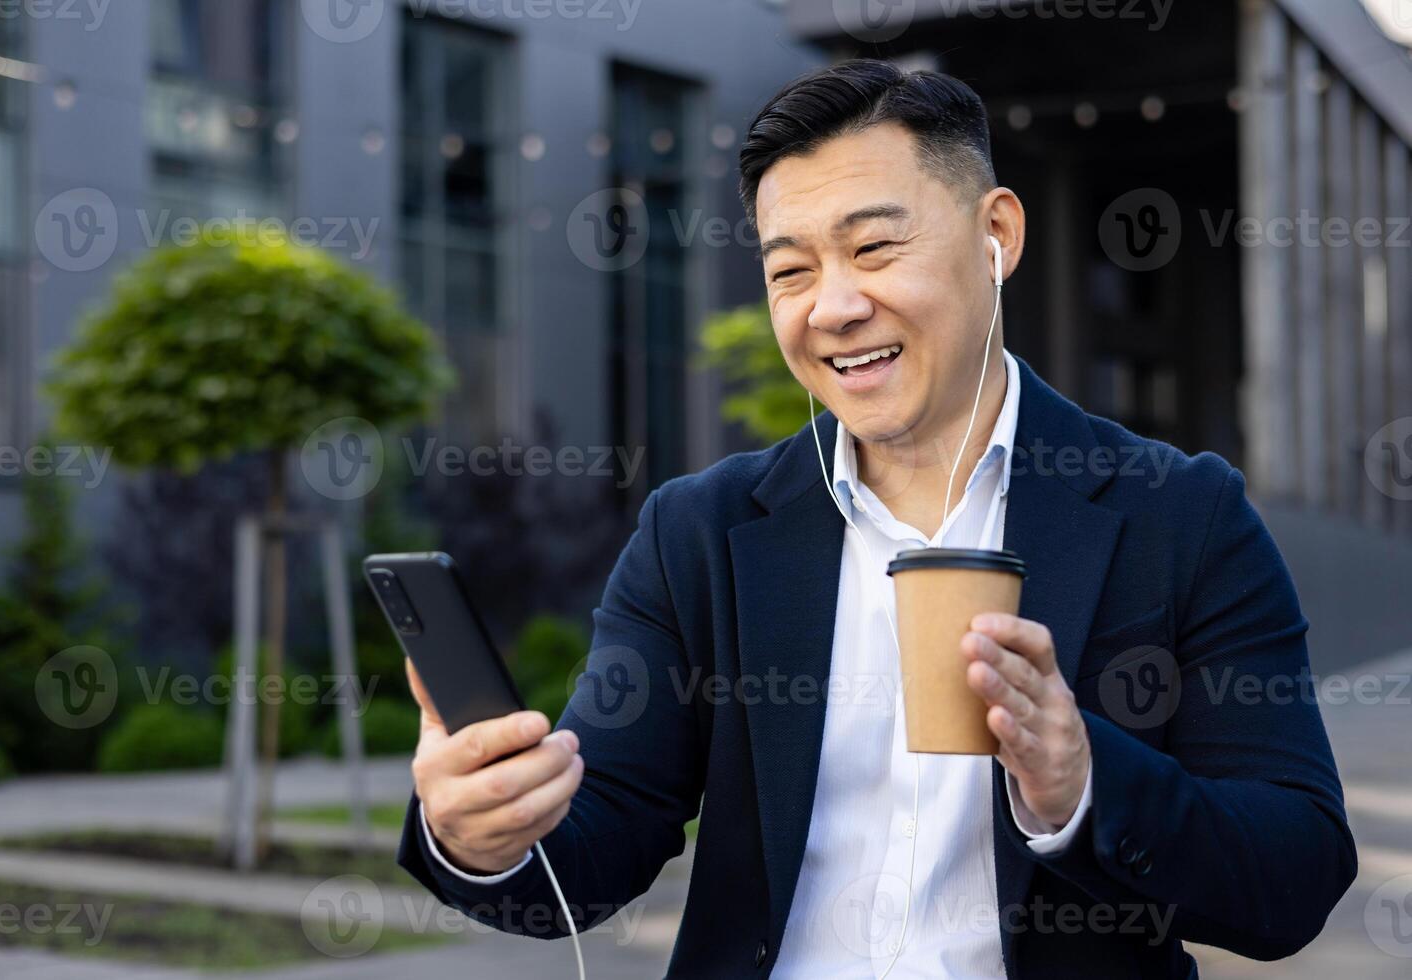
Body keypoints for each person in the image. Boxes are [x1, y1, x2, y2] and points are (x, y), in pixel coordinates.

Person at [396, 60, 1356, 978]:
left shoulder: (1182, 515)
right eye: (791, 271)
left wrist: (1082, 784)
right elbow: (598, 836)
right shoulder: (699, 530)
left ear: (998, 236)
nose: (835, 307)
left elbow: (1295, 874)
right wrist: (481, 835)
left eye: (874, 247)